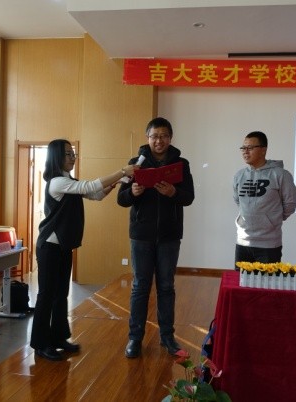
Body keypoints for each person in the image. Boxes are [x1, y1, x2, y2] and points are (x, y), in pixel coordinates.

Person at [30, 139, 139, 361]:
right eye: (68, 154)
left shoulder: (69, 181)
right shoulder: (57, 182)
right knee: (46, 295)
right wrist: (121, 172)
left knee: (61, 294)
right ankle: (41, 343)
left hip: (62, 246)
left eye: (73, 154)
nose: (73, 158)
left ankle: (58, 337)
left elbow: (96, 194)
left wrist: (117, 182)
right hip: (49, 247)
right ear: (57, 157)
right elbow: (89, 187)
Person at [117, 117, 195, 359]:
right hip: (141, 235)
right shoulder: (135, 164)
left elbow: (189, 197)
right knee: (140, 287)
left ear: (170, 138)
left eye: (163, 136)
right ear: (147, 138)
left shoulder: (181, 164)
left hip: (170, 235)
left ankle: (167, 337)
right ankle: (135, 338)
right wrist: (133, 192)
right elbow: (121, 199)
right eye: (154, 136)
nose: (159, 140)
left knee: (166, 286)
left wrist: (173, 192)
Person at [234, 131, 296, 267]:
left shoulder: (281, 175)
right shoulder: (239, 175)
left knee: (266, 281)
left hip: (268, 244)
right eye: (243, 148)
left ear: (263, 150)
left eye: (250, 148)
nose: (245, 151)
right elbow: (238, 201)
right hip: (243, 241)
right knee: (241, 280)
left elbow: (290, 204)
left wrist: (272, 219)